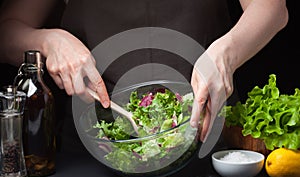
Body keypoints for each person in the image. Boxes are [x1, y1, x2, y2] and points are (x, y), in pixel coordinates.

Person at [0, 0, 288, 150]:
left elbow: (272, 8)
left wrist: (227, 52)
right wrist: (49, 42)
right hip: (94, 152)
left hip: (206, 141)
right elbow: (7, 31)